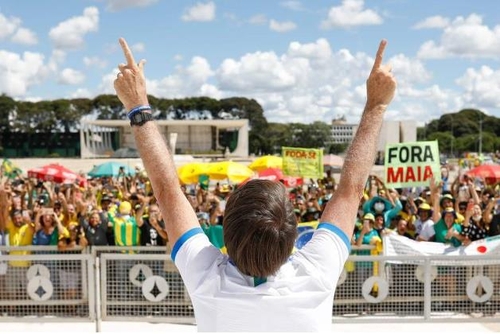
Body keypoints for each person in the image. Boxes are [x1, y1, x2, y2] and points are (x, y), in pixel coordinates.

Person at [113, 37, 396, 331]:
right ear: (293, 238)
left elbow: (167, 191)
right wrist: (376, 105)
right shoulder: (316, 273)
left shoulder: (207, 280)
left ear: (225, 235)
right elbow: (350, 191)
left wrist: (138, 106)